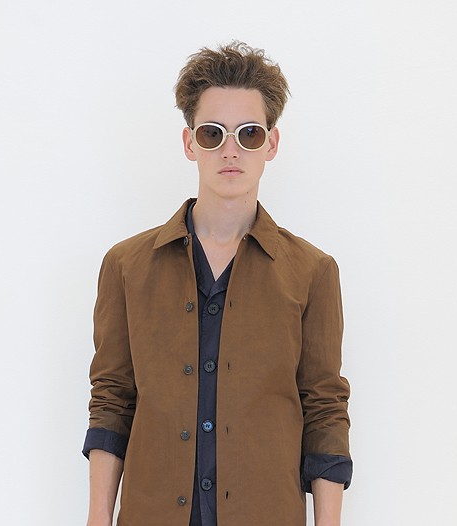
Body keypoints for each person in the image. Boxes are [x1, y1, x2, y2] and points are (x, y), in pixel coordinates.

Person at [83, 41, 352, 526]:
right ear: (190, 144)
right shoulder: (126, 266)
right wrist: (98, 517)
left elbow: (325, 409)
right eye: (213, 133)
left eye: (249, 133)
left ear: (271, 144)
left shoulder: (312, 272)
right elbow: (112, 398)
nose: (231, 150)